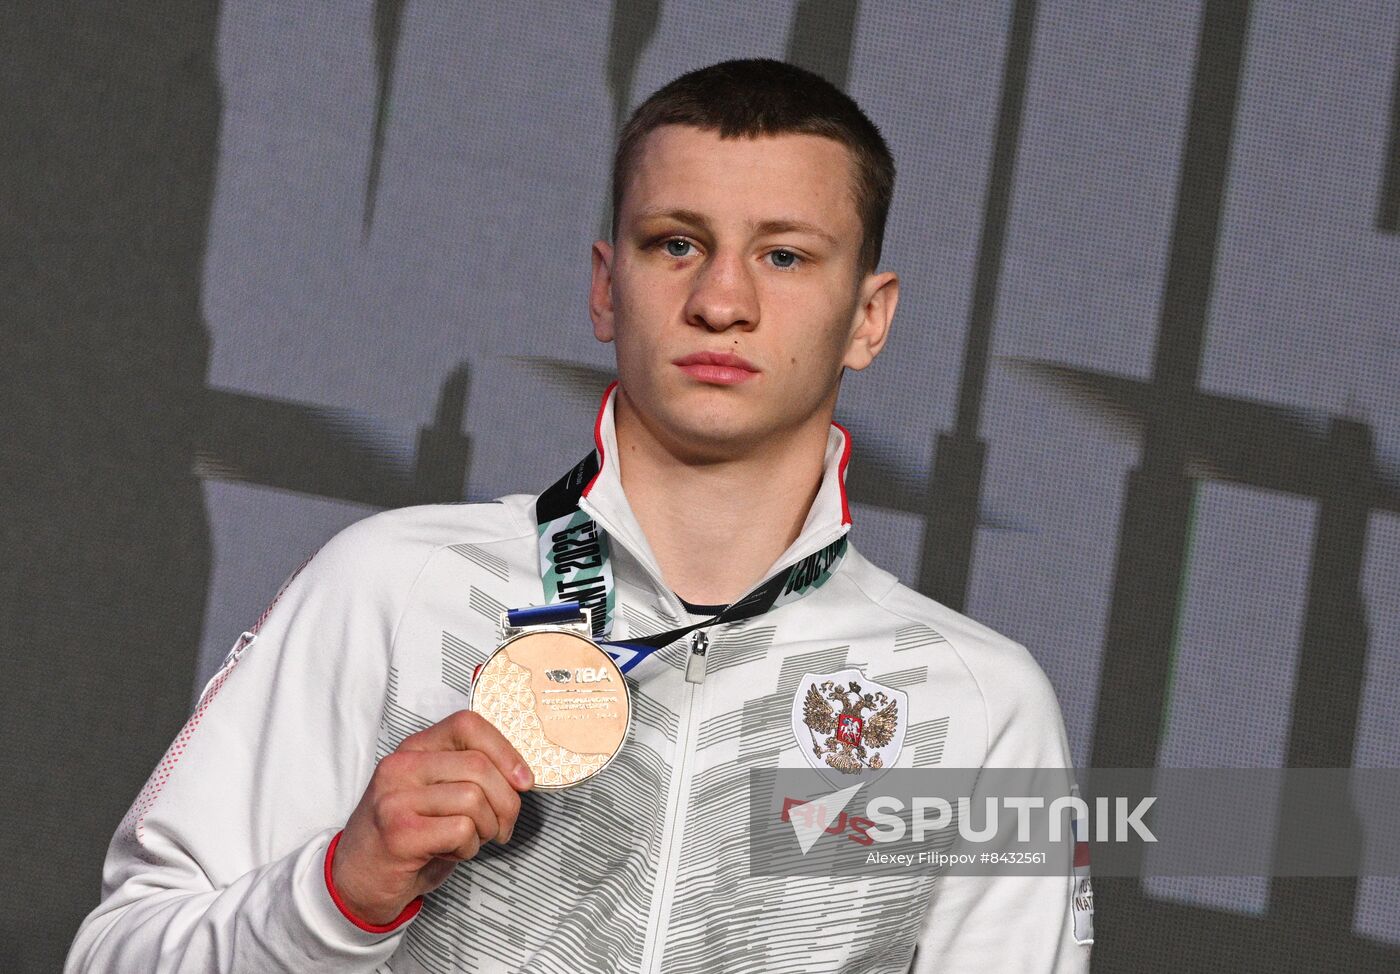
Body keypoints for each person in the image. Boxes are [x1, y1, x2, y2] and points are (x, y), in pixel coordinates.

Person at [66, 58, 1091, 972]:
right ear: (607, 287)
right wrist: (338, 891)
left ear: (867, 316)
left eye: (783, 255)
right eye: (675, 242)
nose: (721, 299)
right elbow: (112, 956)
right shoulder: (389, 587)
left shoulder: (977, 705)